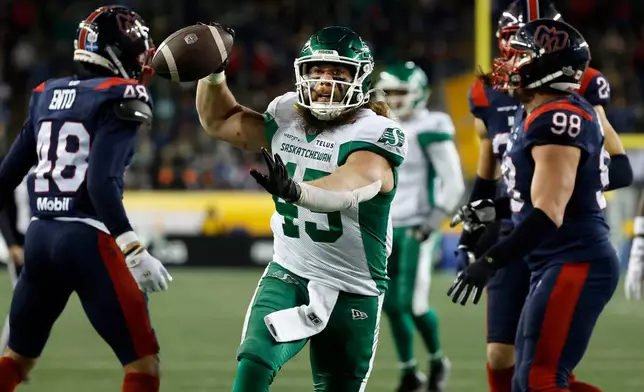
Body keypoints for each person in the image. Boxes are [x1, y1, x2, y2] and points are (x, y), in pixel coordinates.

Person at [195, 25, 407, 391]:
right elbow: (220, 121)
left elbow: (348, 187)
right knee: (253, 366)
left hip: (353, 289)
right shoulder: (286, 114)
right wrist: (212, 74)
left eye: (337, 73)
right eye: (317, 71)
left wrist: (295, 190)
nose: (325, 82)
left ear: (359, 80)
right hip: (289, 272)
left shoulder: (376, 131)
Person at [0, 6, 171, 392]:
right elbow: (100, 181)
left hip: (40, 237)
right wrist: (132, 248)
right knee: (143, 365)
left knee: (16, 360)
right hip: (88, 239)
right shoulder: (123, 95)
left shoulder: (46, 94)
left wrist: (13, 238)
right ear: (117, 51)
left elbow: (4, 178)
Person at [462, 1, 632, 391]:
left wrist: (489, 259)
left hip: (570, 253)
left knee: (540, 378)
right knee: (530, 377)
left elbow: (548, 210)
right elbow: (527, 193)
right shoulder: (533, 111)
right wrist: (491, 209)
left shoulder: (560, 115)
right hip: (550, 253)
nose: (506, 63)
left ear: (547, 65)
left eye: (519, 55)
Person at [374, 61, 463, 392]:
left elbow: (453, 184)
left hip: (417, 226)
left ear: (419, 93)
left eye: (401, 92)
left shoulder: (432, 125)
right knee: (389, 304)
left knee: (413, 304)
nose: (394, 99)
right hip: (383, 227)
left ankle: (438, 360)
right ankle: (409, 371)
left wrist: (431, 223)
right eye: (390, 92)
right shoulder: (377, 124)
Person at [0, 170, 29, 353]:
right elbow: (2, 209)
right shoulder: (16, 167)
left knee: (35, 307)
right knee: (23, 304)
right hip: (21, 245)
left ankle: (16, 358)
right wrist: (11, 244)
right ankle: (6, 355)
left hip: (42, 242)